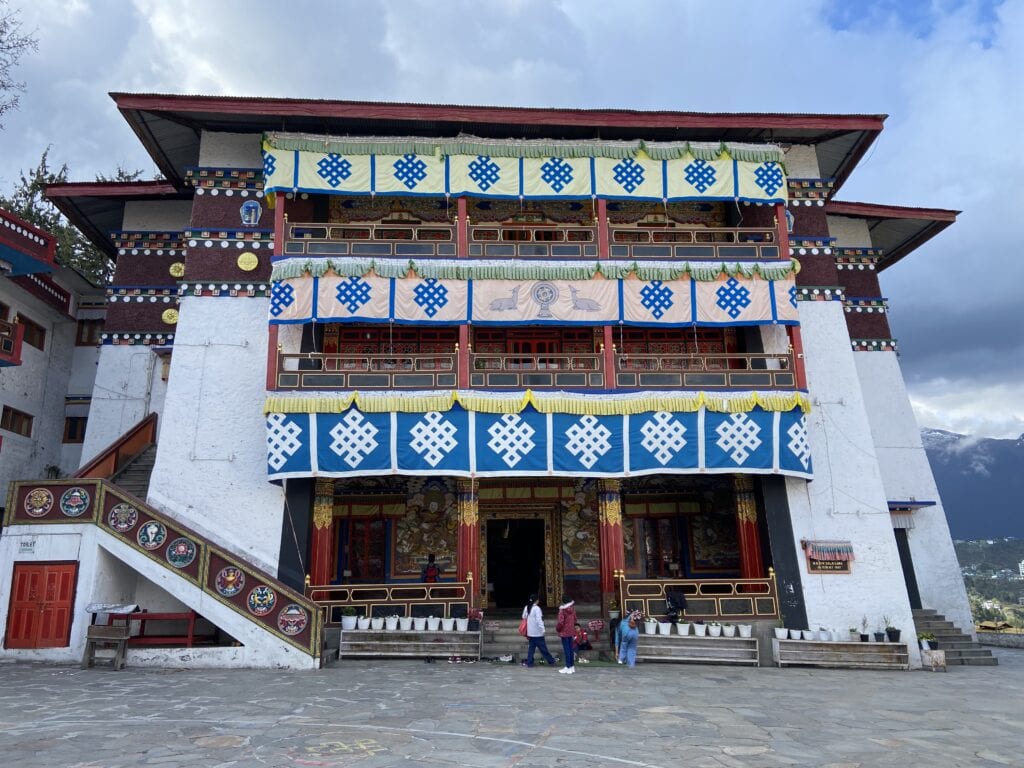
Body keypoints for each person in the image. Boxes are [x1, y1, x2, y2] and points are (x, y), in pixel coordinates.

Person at [521, 594, 557, 668]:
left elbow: (523, 617)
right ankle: (551, 661)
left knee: (531, 649)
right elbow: (539, 620)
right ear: (536, 600)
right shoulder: (537, 608)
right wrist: (543, 629)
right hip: (537, 633)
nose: (538, 601)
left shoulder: (526, 607)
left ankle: (530, 663)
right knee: (543, 649)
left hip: (530, 633)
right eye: (538, 599)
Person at [555, 594, 578, 675]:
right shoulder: (572, 609)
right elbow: (575, 620)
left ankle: (567, 667)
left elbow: (560, 622)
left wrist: (557, 629)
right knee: (571, 649)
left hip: (564, 632)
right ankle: (571, 666)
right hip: (571, 631)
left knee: (566, 650)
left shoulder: (562, 610)